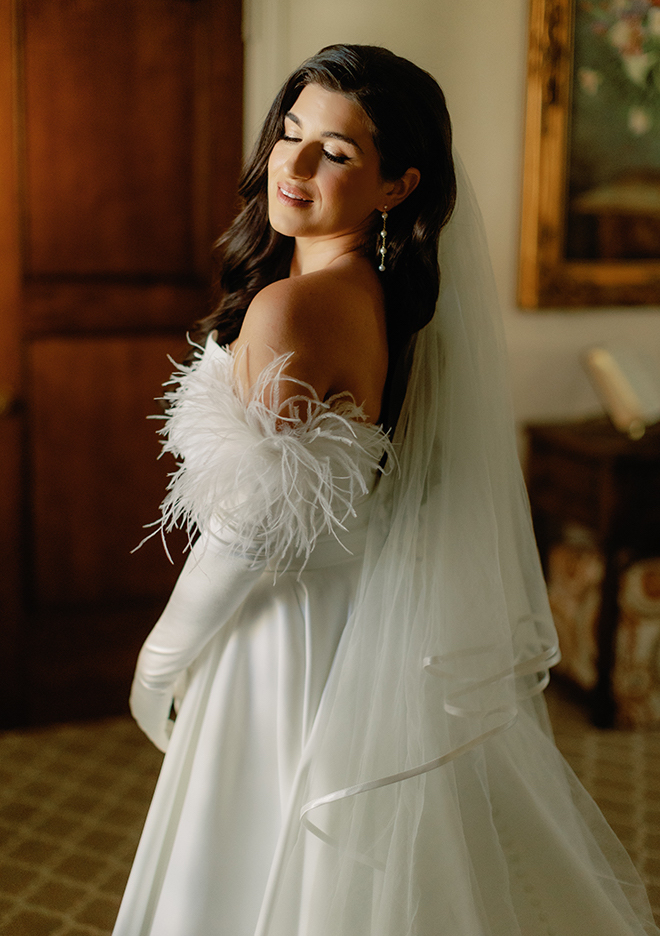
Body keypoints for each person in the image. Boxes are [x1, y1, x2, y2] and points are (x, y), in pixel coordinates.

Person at [113, 45, 659, 936]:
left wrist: (160, 659)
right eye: (290, 134)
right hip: (348, 622)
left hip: (276, 639)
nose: (290, 167)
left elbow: (248, 536)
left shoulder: (290, 310)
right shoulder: (381, 296)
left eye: (334, 152)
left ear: (397, 185)